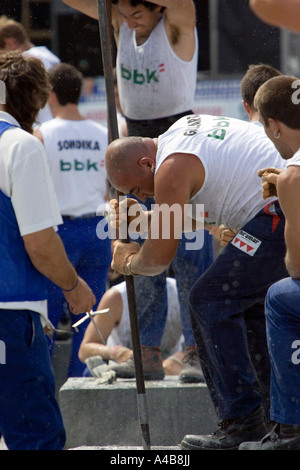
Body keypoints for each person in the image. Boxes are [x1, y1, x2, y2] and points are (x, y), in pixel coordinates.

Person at [105, 111, 290, 450]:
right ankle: (276, 420)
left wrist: (128, 262)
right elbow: (198, 214)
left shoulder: (170, 168)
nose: (143, 196)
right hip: (279, 205)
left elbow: (159, 258)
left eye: (135, 189)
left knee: (209, 301)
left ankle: (242, 423)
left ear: (147, 163)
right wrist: (147, 220)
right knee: (245, 307)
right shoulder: (180, 135)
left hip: (278, 208)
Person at [62, 0, 215, 383]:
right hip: (134, 157)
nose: (130, 22)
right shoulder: (118, 22)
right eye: (125, 14)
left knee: (190, 259)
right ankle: (146, 352)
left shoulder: (177, 23)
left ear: (158, 9)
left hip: (179, 150)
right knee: (139, 257)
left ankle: (198, 351)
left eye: (138, 14)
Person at [0, 50, 95, 450]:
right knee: (36, 438)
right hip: (10, 312)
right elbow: (39, 244)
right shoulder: (19, 146)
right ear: (36, 100)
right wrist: (73, 287)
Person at [34, 63, 112, 377]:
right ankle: (84, 388)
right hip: (96, 230)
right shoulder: (102, 133)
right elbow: (110, 189)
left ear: (49, 95)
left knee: (48, 318)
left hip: (59, 232)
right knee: (90, 317)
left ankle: (39, 391)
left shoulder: (42, 135)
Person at [239, 75, 300, 450]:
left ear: (274, 125)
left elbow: (297, 266)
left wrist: (289, 198)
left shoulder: (293, 174)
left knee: (279, 295)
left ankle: (289, 427)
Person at [79, 277, 188, 378]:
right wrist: (118, 353)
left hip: (172, 371)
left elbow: (202, 343)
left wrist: (180, 358)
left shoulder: (180, 292)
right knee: (94, 371)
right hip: (122, 372)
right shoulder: (116, 297)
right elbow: (84, 350)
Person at [0, 15, 60, 124]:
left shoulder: (25, 62)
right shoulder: (49, 56)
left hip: (39, 128)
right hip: (53, 125)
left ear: (9, 42)